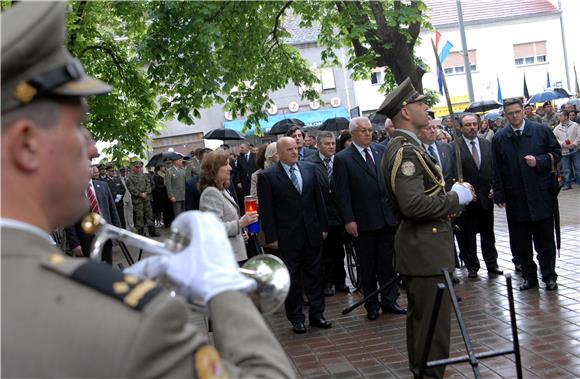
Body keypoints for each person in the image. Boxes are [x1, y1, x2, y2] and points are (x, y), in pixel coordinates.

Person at [1, 3, 294, 377]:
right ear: (26, 145)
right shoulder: (124, 319)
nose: (91, 148)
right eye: (77, 126)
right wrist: (223, 286)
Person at [378, 78, 475, 379]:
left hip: (425, 249)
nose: (426, 110)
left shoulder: (409, 147)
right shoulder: (406, 151)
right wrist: (455, 199)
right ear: (405, 111)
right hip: (424, 252)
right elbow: (413, 206)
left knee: (425, 327)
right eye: (421, 104)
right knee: (432, 333)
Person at [258, 137, 331, 334]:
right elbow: (267, 211)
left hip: (312, 232)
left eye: (296, 148)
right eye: (289, 149)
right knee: (292, 279)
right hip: (287, 236)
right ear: (279, 153)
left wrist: (323, 226)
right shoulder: (268, 176)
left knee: (315, 275)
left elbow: (318, 201)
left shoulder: (309, 169)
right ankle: (296, 318)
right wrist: (271, 237)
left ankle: (317, 314)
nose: (294, 152)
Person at [334, 117, 404, 321]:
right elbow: (342, 194)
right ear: (353, 133)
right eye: (363, 131)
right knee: (368, 265)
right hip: (363, 221)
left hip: (386, 217)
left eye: (370, 130)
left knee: (387, 264)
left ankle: (390, 300)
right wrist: (348, 220)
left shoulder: (380, 151)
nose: (368, 134)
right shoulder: (343, 158)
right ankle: (372, 305)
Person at [492, 98, 561, 291]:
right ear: (505, 115)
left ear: (524, 111)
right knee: (521, 242)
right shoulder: (500, 138)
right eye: (510, 114)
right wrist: (499, 193)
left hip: (541, 195)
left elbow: (556, 153)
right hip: (516, 198)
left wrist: (539, 161)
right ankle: (530, 277)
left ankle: (549, 276)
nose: (514, 116)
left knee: (545, 241)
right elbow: (496, 168)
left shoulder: (541, 131)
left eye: (517, 112)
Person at [452, 113, 502, 278]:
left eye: (474, 124)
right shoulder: (455, 147)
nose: (472, 127)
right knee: (468, 235)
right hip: (467, 200)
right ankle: (472, 265)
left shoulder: (486, 144)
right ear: (461, 128)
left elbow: (494, 168)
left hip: (486, 197)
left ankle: (492, 263)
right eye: (468, 125)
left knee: (488, 233)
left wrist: (495, 187)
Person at [306, 131, 348, 296]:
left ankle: (340, 280)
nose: (331, 147)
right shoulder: (310, 164)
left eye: (332, 143)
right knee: (324, 252)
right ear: (318, 145)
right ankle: (327, 282)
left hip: (339, 214)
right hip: (321, 214)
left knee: (339, 250)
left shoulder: (340, 161)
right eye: (327, 144)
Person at [198, 151, 258, 264]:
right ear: (214, 169)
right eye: (226, 164)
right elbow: (212, 229)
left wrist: (240, 232)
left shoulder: (222, 189)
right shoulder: (211, 193)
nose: (230, 168)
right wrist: (240, 224)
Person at [126, 160, 160, 237]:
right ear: (132, 168)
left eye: (140, 167)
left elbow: (148, 184)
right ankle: (141, 233)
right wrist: (140, 194)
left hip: (146, 199)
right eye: (137, 167)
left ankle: (152, 231)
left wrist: (146, 193)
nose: (139, 168)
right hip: (137, 200)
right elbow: (131, 188)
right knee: (139, 217)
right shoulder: (129, 177)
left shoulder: (144, 175)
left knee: (149, 215)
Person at [552, 110, 580, 190]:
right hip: (564, 151)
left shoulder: (575, 125)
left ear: (566, 116)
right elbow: (554, 138)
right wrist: (561, 144)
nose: (559, 117)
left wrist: (574, 144)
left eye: (561, 116)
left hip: (575, 150)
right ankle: (567, 184)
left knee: (578, 167)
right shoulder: (557, 128)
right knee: (566, 169)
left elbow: (579, 136)